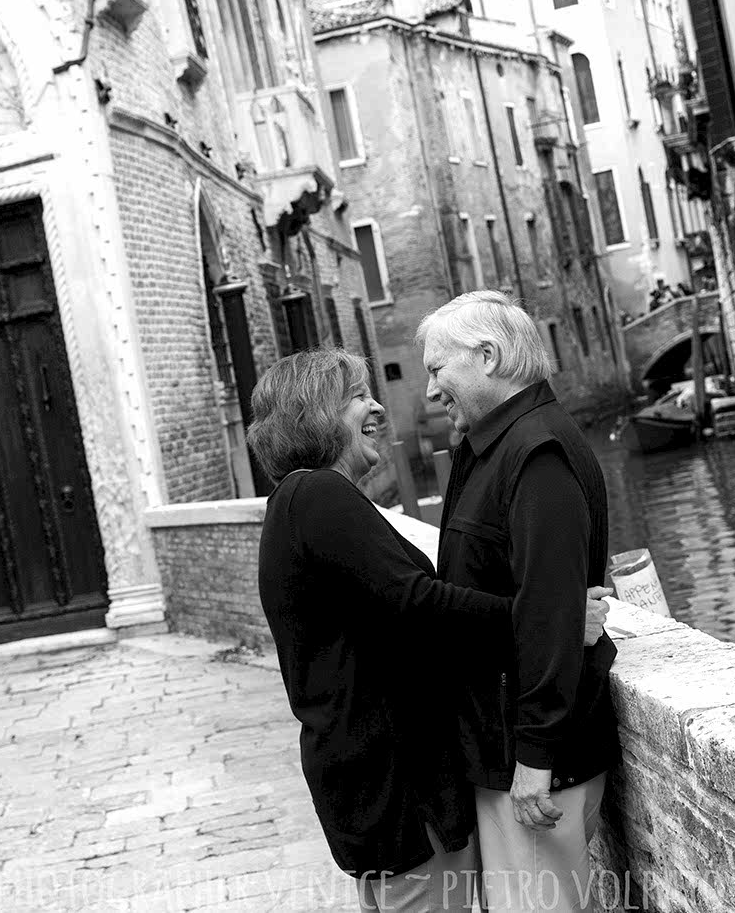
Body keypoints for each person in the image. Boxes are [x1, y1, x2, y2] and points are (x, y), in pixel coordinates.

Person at [249, 348, 611, 912]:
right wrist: (552, 618)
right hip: (398, 791)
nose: (377, 407)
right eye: (355, 397)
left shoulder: (298, 503)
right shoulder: (315, 494)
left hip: (373, 787)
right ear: (311, 415)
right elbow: (417, 602)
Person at [418, 292, 619, 913]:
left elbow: (552, 615)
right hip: (500, 750)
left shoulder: (537, 456)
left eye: (437, 369)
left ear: (489, 355)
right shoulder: (488, 447)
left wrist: (535, 756)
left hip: (530, 763)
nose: (430, 392)